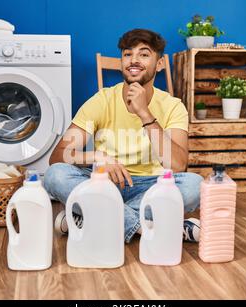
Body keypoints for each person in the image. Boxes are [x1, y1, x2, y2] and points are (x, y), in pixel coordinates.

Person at [44, 28, 202, 243]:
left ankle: (91, 217)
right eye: (128, 54)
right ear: (122, 62)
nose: (133, 60)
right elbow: (58, 157)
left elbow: (177, 166)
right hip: (103, 184)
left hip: (153, 186)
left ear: (159, 64)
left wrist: (144, 113)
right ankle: (148, 228)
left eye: (144, 54)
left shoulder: (173, 106)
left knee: (194, 185)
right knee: (56, 175)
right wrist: (97, 157)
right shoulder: (102, 100)